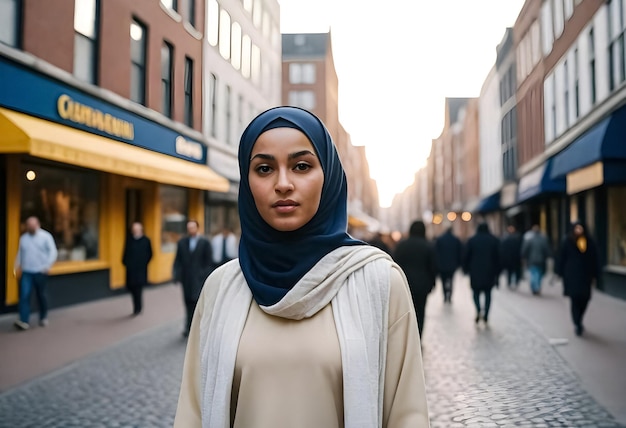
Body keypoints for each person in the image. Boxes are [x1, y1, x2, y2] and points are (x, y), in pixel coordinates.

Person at [174, 107, 429, 427]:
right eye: (264, 169)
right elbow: (193, 413)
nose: (283, 183)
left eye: (302, 166)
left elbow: (408, 414)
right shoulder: (222, 287)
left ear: (329, 176)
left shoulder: (378, 281)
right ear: (247, 180)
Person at [393, 220, 437, 337]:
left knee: (405, 312)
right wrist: (432, 283)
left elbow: (395, 264)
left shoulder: (402, 245)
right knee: (421, 312)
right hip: (422, 285)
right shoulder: (428, 246)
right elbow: (432, 267)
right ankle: (418, 336)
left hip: (404, 284)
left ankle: (407, 338)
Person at [13, 216, 58, 330]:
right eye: (28, 225)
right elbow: (20, 253)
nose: (30, 227)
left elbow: (53, 252)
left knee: (40, 295)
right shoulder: (23, 238)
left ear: (38, 224)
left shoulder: (46, 237)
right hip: (27, 271)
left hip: (40, 271)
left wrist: (47, 266)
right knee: (24, 295)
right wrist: (16, 267)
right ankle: (24, 321)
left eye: (32, 225)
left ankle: (43, 317)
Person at [556, 222, 600, 336]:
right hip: (571, 275)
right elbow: (561, 257)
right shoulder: (567, 241)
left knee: (585, 299)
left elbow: (594, 258)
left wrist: (595, 274)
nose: (578, 231)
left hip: (586, 276)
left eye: (580, 228)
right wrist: (559, 272)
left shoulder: (589, 242)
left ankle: (579, 319)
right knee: (575, 299)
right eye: (577, 228)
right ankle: (577, 323)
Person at [173, 220, 214, 337]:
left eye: (193, 227)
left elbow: (209, 262)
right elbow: (178, 260)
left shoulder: (205, 243)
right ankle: (188, 327)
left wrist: (204, 275)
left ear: (197, 228)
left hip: (199, 279)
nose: (191, 229)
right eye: (189, 227)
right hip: (187, 279)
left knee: (198, 303)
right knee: (187, 303)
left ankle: (199, 327)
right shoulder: (182, 243)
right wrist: (177, 275)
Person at [463, 222, 500, 325]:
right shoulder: (494, 240)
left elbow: (466, 256)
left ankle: (478, 309)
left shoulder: (472, 240)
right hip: (489, 272)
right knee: (488, 294)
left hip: (475, 272)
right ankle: (486, 314)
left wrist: (466, 269)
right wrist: (497, 272)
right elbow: (498, 258)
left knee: (475, 293)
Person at [122, 222, 153, 316]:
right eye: (134, 229)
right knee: (131, 287)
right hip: (131, 270)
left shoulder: (146, 240)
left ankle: (138, 308)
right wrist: (126, 263)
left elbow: (150, 254)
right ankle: (136, 306)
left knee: (138, 289)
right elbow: (125, 253)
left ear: (141, 229)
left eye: (137, 229)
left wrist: (144, 263)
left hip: (140, 270)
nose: (135, 230)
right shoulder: (130, 240)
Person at [434, 226, 462, 303]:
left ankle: (445, 295)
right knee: (451, 280)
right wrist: (458, 264)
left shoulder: (440, 239)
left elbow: (436, 252)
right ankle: (450, 295)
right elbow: (459, 252)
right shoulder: (455, 240)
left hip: (442, 265)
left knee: (443, 281)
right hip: (452, 265)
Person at [521, 224, 551, 295]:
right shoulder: (543, 239)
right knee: (539, 274)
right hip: (541, 260)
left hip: (532, 260)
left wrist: (524, 256)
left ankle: (535, 287)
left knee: (534, 273)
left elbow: (525, 249)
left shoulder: (530, 240)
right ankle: (536, 286)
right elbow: (546, 249)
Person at [500, 223, 523, 289]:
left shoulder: (517, 237)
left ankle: (515, 282)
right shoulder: (506, 238)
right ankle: (510, 282)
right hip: (510, 258)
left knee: (515, 270)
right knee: (510, 271)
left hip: (515, 257)